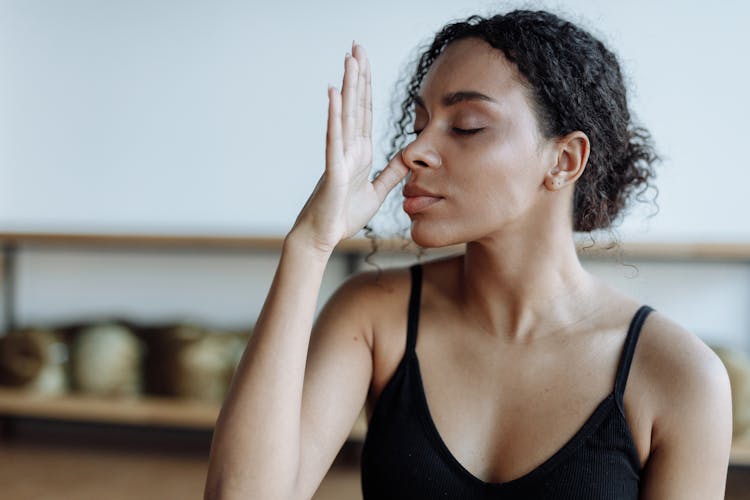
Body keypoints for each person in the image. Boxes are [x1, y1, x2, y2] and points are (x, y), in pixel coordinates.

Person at [204, 10, 732, 500]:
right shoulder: (372, 318)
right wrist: (309, 245)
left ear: (565, 160)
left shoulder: (679, 376)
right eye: (418, 125)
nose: (414, 151)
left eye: (467, 126)